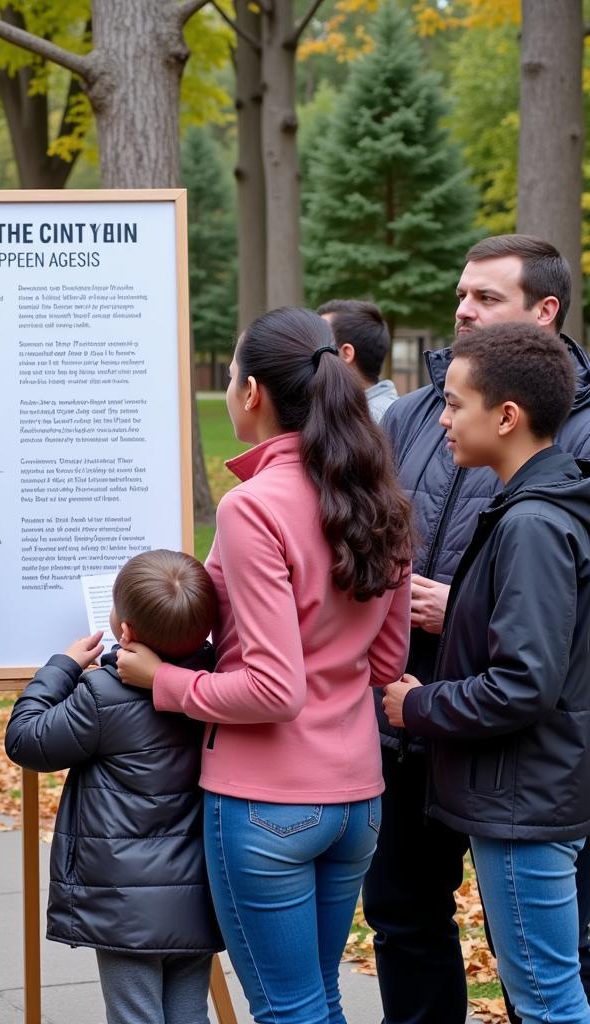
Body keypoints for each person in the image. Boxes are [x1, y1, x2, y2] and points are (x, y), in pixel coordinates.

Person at [116, 307, 413, 1024]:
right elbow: (387, 658)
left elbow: (274, 689)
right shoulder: (379, 496)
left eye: (227, 376)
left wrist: (163, 680)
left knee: (289, 1009)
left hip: (268, 801)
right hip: (356, 798)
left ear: (252, 393)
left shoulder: (253, 507)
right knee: (318, 999)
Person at [363, 234, 590, 1024]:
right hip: (417, 724)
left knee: (542, 967)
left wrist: (457, 601)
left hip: (514, 751)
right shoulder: (419, 415)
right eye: (462, 294)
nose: (464, 309)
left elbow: (546, 616)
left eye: (486, 298)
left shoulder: (563, 456)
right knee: (404, 916)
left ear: (545, 311)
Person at [5, 549, 223, 1024]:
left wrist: (60, 668)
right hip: (199, 890)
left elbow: (26, 740)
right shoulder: (217, 685)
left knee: (134, 1016)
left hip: (125, 901)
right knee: (190, 1014)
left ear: (124, 631)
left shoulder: (105, 696)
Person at [316, 299, 398, 423]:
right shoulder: (351, 412)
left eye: (320, 342)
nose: (311, 351)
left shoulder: (377, 421)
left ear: (346, 353)